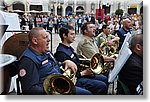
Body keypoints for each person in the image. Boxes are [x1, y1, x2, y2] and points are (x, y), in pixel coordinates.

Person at [17, 27, 92, 95]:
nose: (49, 40)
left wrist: (64, 62)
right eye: (45, 37)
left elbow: (54, 64)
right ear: (35, 41)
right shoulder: (28, 60)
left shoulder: (46, 52)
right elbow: (29, 90)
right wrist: (55, 90)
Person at [54, 25, 108, 95]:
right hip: (75, 80)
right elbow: (66, 75)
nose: (74, 36)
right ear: (64, 35)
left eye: (74, 34)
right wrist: (83, 73)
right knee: (101, 86)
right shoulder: (61, 52)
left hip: (79, 74)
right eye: (72, 34)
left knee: (104, 79)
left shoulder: (69, 48)